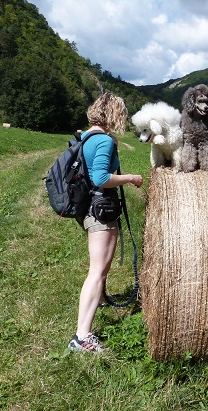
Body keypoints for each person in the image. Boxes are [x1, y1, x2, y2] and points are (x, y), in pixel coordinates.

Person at [68, 92, 143, 353]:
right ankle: (82, 336)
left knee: (99, 268)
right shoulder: (103, 141)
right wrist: (131, 177)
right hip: (100, 210)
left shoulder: (86, 136)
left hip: (88, 207)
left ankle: (97, 301)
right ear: (114, 114)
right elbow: (100, 177)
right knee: (97, 271)